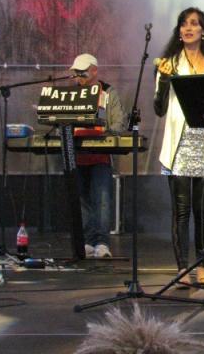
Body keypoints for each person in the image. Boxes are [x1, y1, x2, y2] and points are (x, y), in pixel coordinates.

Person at [154, 7, 204, 286]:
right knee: (181, 210)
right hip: (180, 144)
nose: (188, 28)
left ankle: (203, 266)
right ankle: (182, 268)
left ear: (203, 30)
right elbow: (159, 108)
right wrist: (164, 79)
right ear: (179, 31)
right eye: (184, 24)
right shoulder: (169, 64)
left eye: (194, 23)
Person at [70, 53, 126, 258]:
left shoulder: (108, 93)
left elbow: (119, 122)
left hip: (101, 155)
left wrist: (106, 132)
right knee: (82, 200)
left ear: (94, 71)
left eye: (82, 71)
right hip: (77, 154)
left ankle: (102, 242)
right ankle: (87, 240)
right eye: (76, 72)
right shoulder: (71, 94)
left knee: (101, 200)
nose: (79, 75)